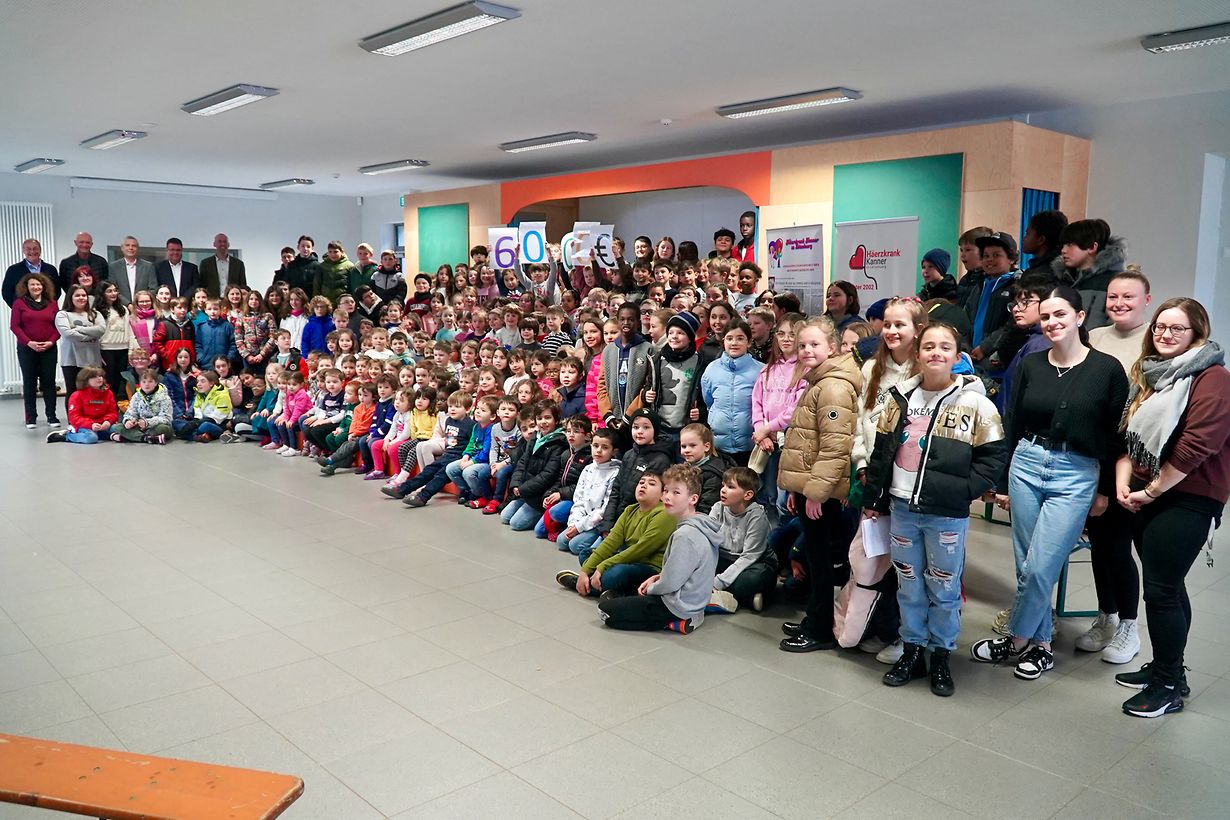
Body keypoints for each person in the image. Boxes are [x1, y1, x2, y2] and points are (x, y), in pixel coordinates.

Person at [971, 286, 1129, 681]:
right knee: (1026, 562)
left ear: (1079, 317)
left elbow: (1115, 436)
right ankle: (1041, 647)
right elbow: (1014, 422)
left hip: (1076, 472)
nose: (1052, 322)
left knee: (1041, 566)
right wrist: (1003, 478)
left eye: (1060, 314)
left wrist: (1104, 490)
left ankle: (1016, 637)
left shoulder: (1107, 369)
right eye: (1045, 317)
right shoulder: (1031, 363)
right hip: (1027, 463)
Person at [863, 323, 1006, 697]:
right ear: (918, 354)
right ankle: (912, 651)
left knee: (943, 586)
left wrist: (963, 491)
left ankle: (941, 654)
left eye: (945, 347)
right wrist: (875, 500)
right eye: (928, 346)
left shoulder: (975, 403)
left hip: (945, 514)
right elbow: (881, 452)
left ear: (957, 356)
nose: (936, 353)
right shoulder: (899, 398)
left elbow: (993, 457)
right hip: (902, 507)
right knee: (909, 584)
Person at [1114, 298, 1230, 718]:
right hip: (1147, 491)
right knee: (1168, 584)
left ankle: (1166, 687)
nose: (1165, 334)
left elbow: (1197, 445)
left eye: (1177, 328)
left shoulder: (1213, 378)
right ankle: (1169, 669)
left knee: (1161, 591)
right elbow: (1128, 432)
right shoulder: (1151, 374)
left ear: (1197, 333)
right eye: (1160, 327)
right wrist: (1125, 479)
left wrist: (1152, 490)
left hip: (1189, 496)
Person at [1079, 269, 1153, 662]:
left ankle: (1128, 625)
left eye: (1128, 297)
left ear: (1146, 300)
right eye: (1113, 297)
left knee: (1120, 547)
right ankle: (1105, 615)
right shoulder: (1094, 337)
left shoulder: (1155, 341)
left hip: (1133, 461)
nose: (1119, 303)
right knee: (1101, 544)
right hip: (1097, 453)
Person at [777, 316, 862, 652]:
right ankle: (815, 617)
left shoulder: (833, 387)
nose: (807, 350)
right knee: (814, 556)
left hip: (820, 490)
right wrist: (798, 488)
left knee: (820, 558)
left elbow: (835, 446)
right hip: (810, 486)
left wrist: (814, 492)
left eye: (815, 344)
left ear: (833, 347)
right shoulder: (819, 381)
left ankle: (820, 628)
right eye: (802, 345)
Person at [596, 465, 721, 634]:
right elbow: (681, 571)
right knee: (628, 593)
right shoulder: (700, 524)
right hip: (693, 599)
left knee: (605, 611)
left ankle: (679, 621)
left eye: (676, 493)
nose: (668, 497)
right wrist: (656, 578)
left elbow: (671, 584)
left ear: (693, 499)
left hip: (677, 606)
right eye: (666, 491)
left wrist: (651, 589)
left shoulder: (684, 535)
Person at [556, 470, 677, 598]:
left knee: (617, 573)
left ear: (663, 495)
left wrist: (602, 566)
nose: (644, 486)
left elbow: (640, 550)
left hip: (648, 567)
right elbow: (610, 542)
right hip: (628, 560)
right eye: (641, 482)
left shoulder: (665, 514)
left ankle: (589, 586)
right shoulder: (630, 510)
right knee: (586, 554)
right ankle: (605, 588)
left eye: (651, 484)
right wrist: (585, 571)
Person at [708, 466, 776, 613]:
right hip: (725, 559)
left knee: (753, 579)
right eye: (723, 486)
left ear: (747, 495)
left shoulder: (757, 517)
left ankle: (717, 593)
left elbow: (749, 556)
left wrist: (718, 582)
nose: (723, 490)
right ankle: (743, 598)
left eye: (730, 487)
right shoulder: (718, 508)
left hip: (754, 562)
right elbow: (708, 539)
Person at [700, 319, 764, 465]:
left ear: (749, 342)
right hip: (719, 446)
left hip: (750, 445)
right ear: (723, 341)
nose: (734, 343)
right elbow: (708, 401)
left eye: (740, 338)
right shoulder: (711, 369)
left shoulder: (761, 370)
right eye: (729, 338)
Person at [400, 391, 480, 507]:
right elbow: (449, 440)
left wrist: (466, 458)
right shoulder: (449, 420)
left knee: (440, 475)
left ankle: (423, 496)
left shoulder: (470, 425)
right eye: (450, 406)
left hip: (458, 457)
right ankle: (402, 489)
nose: (452, 409)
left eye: (457, 407)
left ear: (467, 409)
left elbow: (472, 444)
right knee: (427, 471)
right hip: (447, 454)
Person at [556, 428, 621, 561]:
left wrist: (579, 527)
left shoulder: (615, 473)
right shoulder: (588, 469)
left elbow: (604, 509)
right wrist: (574, 524)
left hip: (598, 523)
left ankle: (600, 541)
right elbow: (579, 499)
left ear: (614, 451)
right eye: (595, 446)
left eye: (605, 447)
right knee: (561, 541)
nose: (598, 451)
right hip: (582, 518)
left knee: (575, 546)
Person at [499, 401, 568, 527]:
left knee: (516, 524)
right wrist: (516, 484)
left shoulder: (559, 443)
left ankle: (542, 514)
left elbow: (547, 475)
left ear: (556, 420)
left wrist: (523, 489)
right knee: (504, 517)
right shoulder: (535, 437)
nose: (543, 422)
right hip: (526, 492)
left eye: (548, 418)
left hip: (540, 495)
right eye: (539, 418)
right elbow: (522, 463)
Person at [1050, 218, 1126, 331]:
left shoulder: (1115, 282)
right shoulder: (1061, 279)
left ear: (1092, 247)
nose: (1063, 250)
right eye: (1063, 245)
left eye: (1070, 244)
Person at [643, 311, 710, 438]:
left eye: (680, 333)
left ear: (690, 337)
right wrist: (645, 395)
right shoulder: (657, 360)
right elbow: (648, 385)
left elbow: (704, 396)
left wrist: (701, 412)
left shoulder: (699, 362)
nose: (674, 336)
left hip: (686, 428)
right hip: (660, 427)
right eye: (671, 333)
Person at [10, 271, 61, 428]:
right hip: (27, 349)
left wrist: (51, 342)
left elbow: (59, 326)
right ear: (26, 286)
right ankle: (31, 417)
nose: (36, 287)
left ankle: (51, 416)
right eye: (32, 284)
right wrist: (29, 342)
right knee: (29, 382)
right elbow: (15, 326)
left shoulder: (52, 303)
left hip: (49, 348)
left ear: (43, 286)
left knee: (49, 382)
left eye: (38, 284)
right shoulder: (19, 303)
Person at [597, 303, 653, 442]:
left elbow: (648, 385)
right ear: (617, 321)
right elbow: (602, 385)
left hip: (637, 419)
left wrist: (629, 415)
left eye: (631, 319)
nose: (626, 323)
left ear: (638, 322)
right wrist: (607, 414)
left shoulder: (648, 349)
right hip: (613, 419)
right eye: (622, 319)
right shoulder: (608, 350)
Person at [54, 285, 106, 418]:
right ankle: (73, 420)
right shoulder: (63, 314)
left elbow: (101, 330)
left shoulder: (95, 314)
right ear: (70, 298)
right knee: (73, 391)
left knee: (93, 391)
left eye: (83, 295)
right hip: (71, 360)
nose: (81, 298)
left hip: (92, 360)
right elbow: (68, 334)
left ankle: (92, 418)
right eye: (77, 295)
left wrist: (78, 329)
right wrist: (91, 335)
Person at [46, 367, 115, 444]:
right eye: (94, 377)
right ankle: (66, 436)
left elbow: (112, 412)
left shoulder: (109, 393)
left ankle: (105, 435)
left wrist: (108, 421)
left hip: (102, 425)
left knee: (117, 429)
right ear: (85, 380)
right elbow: (74, 417)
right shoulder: (77, 396)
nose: (99, 378)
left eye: (100, 376)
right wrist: (91, 425)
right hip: (84, 426)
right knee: (91, 438)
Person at [109, 368, 172, 444]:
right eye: (144, 382)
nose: (147, 384)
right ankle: (147, 438)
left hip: (155, 426)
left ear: (156, 383)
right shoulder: (136, 396)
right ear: (140, 383)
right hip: (139, 427)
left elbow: (166, 418)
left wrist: (147, 423)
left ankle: (130, 437)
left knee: (163, 428)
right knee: (117, 427)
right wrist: (128, 421)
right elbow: (130, 413)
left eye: (150, 381)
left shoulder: (164, 397)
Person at [96, 281, 133, 399]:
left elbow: (129, 330)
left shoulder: (123, 309)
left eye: (115, 290)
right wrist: (98, 352)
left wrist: (130, 350)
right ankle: (109, 405)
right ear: (102, 293)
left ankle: (117, 406)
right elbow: (96, 334)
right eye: (109, 291)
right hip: (106, 349)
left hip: (123, 349)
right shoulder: (97, 310)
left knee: (121, 380)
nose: (113, 293)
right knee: (109, 380)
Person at [5, 238, 60, 307]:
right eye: (28, 249)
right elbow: (7, 292)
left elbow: (57, 291)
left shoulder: (51, 269)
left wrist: (49, 306)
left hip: (48, 309)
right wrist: (18, 307)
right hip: (23, 311)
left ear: (40, 250)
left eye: (35, 248)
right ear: (23, 251)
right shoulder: (13, 270)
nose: (32, 251)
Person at [198, 233, 247, 297]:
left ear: (228, 244)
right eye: (220, 241)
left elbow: (243, 285)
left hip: (232, 300)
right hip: (213, 300)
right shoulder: (205, 263)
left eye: (225, 241)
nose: (222, 244)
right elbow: (202, 285)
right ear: (214, 244)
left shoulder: (238, 264)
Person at [1020, 209, 1067, 274]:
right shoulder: (1064, 268)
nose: (1023, 239)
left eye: (1028, 234)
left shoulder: (1040, 274)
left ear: (1041, 240)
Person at [195, 299, 238, 366]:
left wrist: (228, 359)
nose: (213, 312)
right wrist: (201, 358)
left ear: (220, 310)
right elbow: (198, 345)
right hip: (206, 364)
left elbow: (233, 344)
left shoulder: (227, 326)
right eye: (209, 309)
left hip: (224, 365)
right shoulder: (201, 327)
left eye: (215, 309)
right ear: (205, 310)